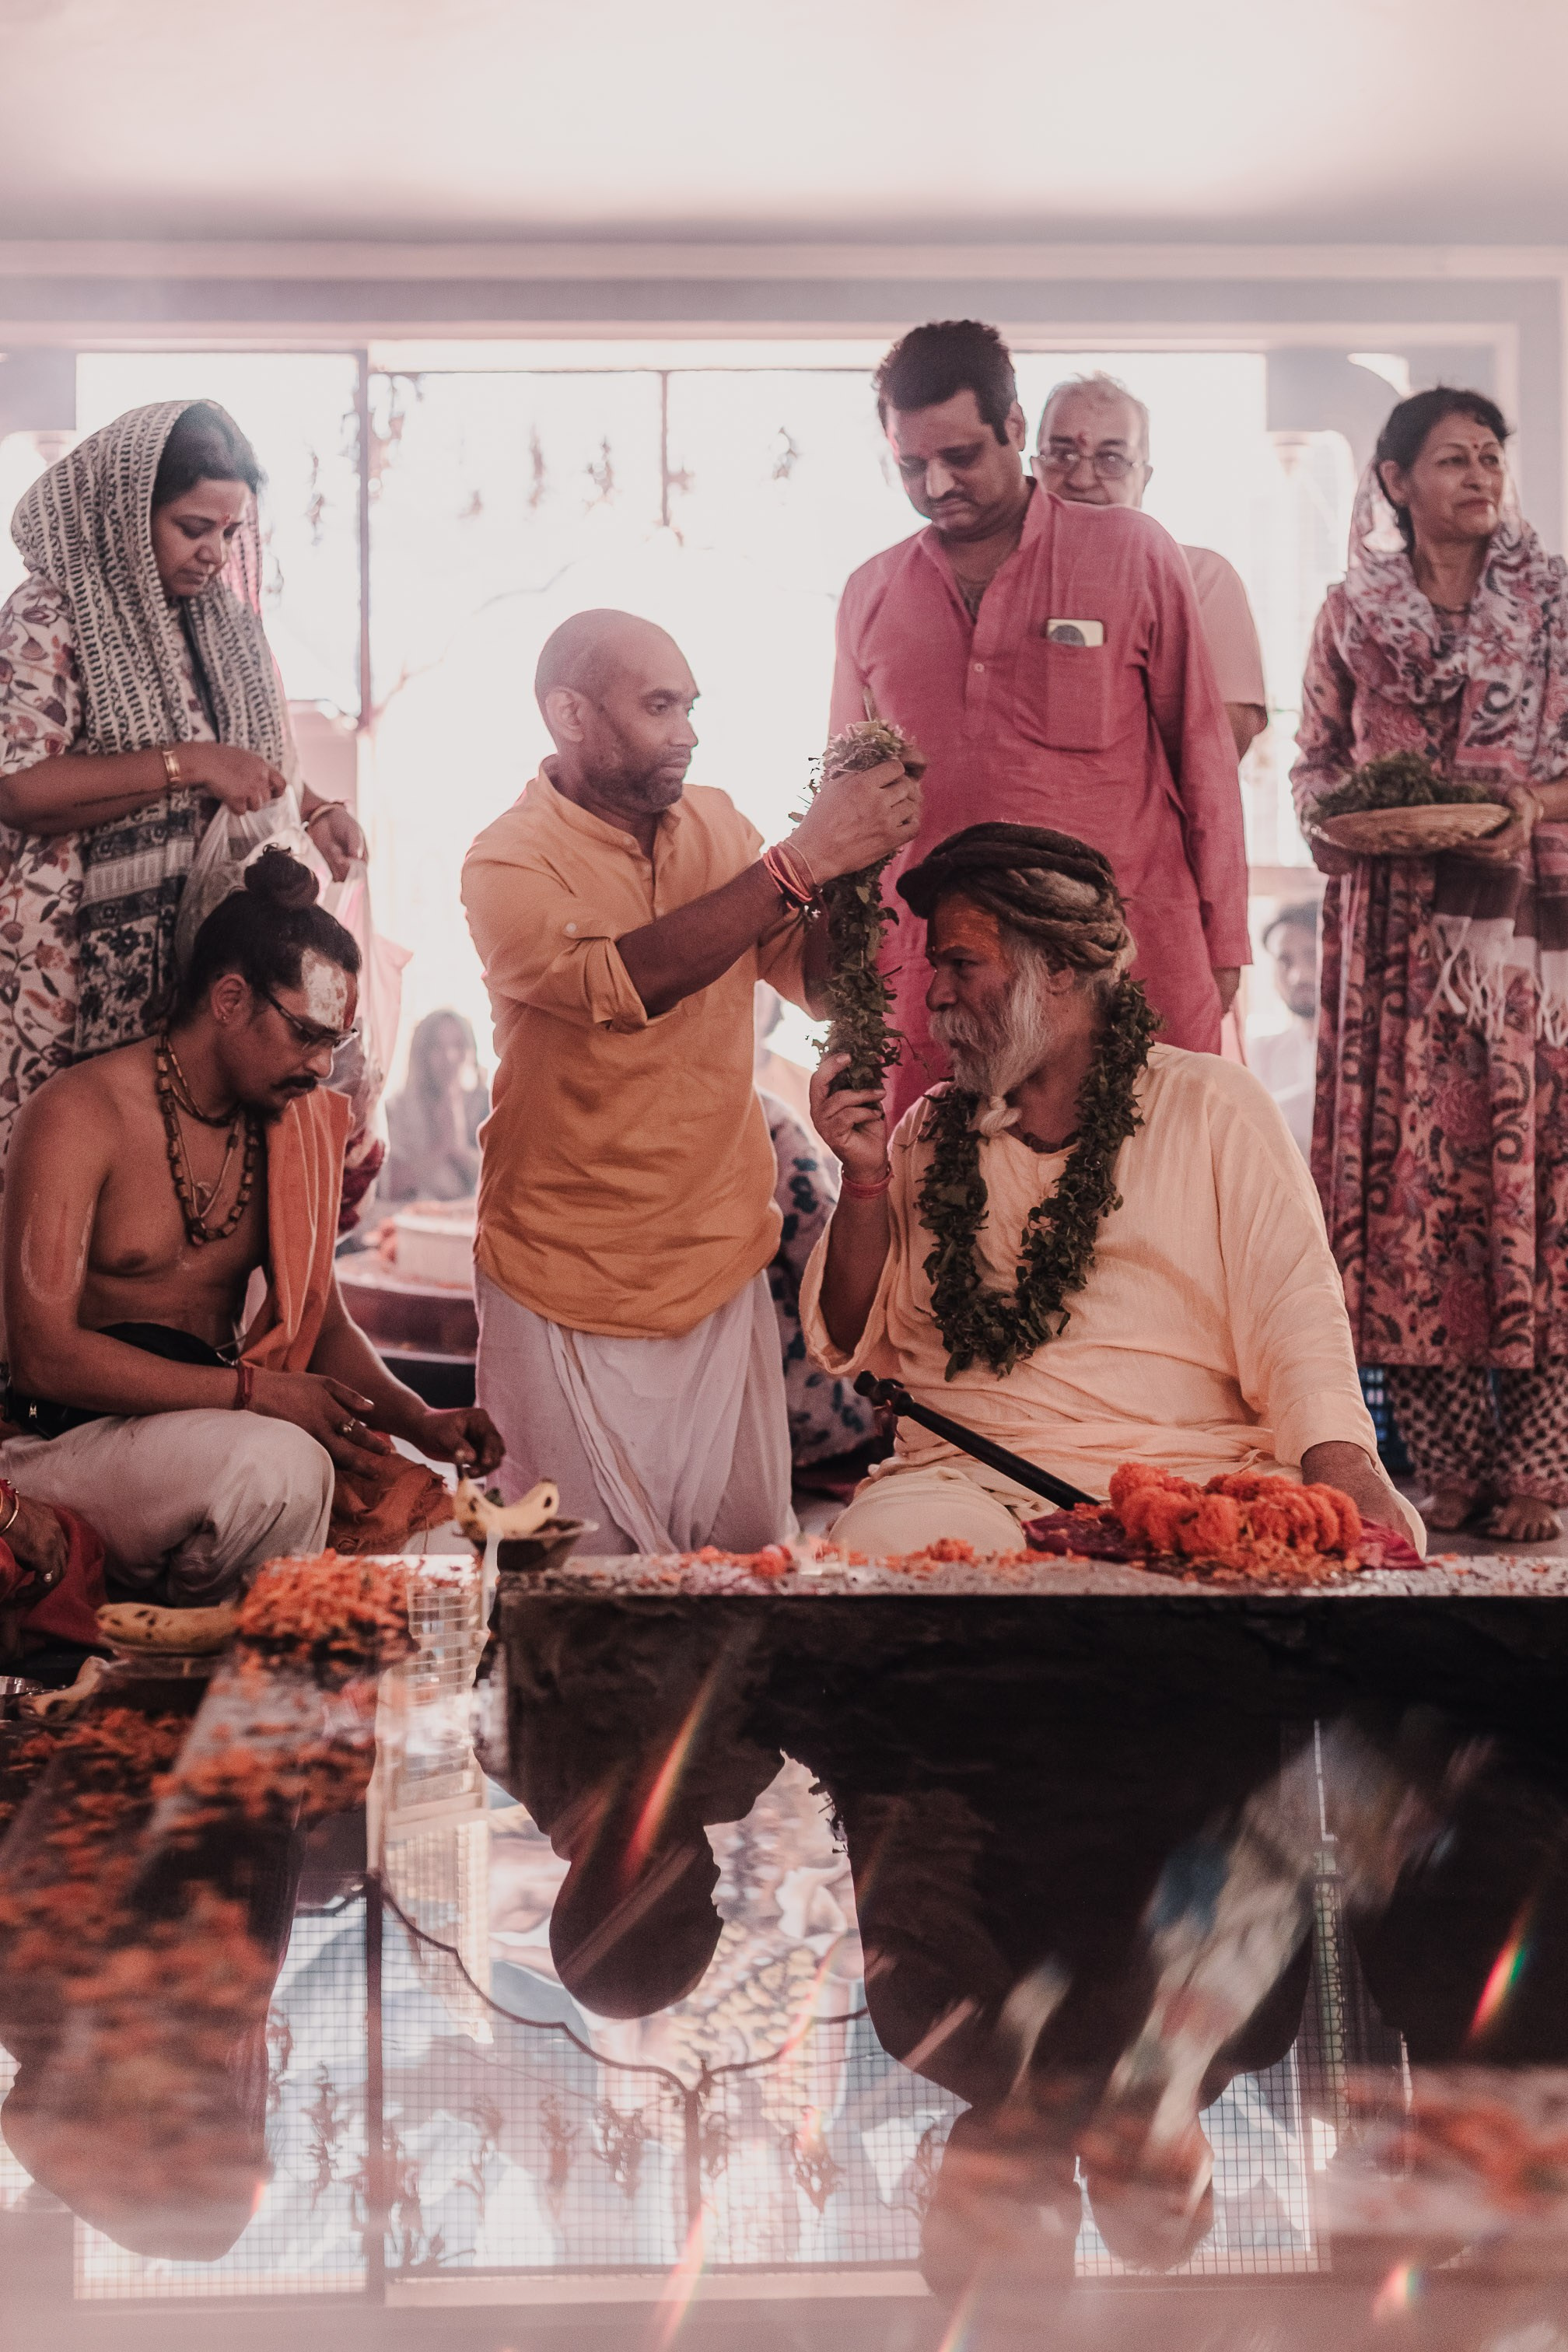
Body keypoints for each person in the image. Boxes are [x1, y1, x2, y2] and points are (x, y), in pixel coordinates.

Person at [801, 821, 1419, 1558]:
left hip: (1194, 1477)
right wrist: (865, 1178)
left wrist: (1348, 1478)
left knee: (1305, 1558)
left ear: (1058, 966)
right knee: (895, 1551)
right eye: (937, 966)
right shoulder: (928, 1129)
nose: (935, 994)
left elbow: (1301, 1324)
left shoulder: (1211, 1105)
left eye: (962, 964)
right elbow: (847, 1332)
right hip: (961, 1480)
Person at [461, 607, 920, 1555]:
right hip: (559, 1274)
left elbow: (820, 982)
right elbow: (628, 983)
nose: (689, 732)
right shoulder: (506, 859)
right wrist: (802, 860)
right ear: (570, 716)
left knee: (746, 1570)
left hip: (716, 1263)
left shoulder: (719, 823)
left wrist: (855, 872)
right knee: (574, 1590)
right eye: (660, 706)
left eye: (692, 706)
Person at [0, 849, 501, 1605]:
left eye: (336, 1042)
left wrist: (420, 1420)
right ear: (230, 999)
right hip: (66, 1443)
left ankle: (274, 1675)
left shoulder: (289, 1129)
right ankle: (226, 1685)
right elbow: (42, 1358)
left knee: (457, 1542)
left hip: (218, 1437)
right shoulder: (81, 1114)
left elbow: (320, 1326)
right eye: (307, 1034)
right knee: (281, 1469)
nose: (323, 1066)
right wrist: (253, 1393)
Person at [831, 319, 1248, 1121]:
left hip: (1127, 962)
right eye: (912, 466)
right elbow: (850, 808)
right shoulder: (871, 593)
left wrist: (1224, 943)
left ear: (1014, 429)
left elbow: (1202, 754)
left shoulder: (1133, 551)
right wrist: (851, 978)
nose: (938, 485)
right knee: (952, 1213)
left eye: (961, 457)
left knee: (1156, 1201)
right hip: (941, 977)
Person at [1293, 386, 1568, 1547]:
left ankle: (1543, 1470)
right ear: (1395, 480)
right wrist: (1347, 825)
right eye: (1453, 457)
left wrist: (1524, 804)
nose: (1480, 473)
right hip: (1393, 945)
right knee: (1410, 1200)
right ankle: (1447, 1471)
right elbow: (1311, 767)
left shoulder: (1556, 603)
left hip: (1528, 946)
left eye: (1492, 456)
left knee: (1542, 1190)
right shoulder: (1352, 611)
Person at [0, 400, 366, 1192]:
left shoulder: (222, 625)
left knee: (185, 1201)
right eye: (194, 526)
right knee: (70, 1188)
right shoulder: (50, 613)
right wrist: (188, 763)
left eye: (230, 533)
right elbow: (21, 791)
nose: (214, 552)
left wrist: (319, 809)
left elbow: (254, 762)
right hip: (66, 971)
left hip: (197, 970)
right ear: (128, 514)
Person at [1033, 370, 1269, 764]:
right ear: (1035, 467)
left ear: (1144, 477)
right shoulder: (1000, 582)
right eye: (1062, 455)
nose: (1081, 477)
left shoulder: (1201, 579)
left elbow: (1219, 750)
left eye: (1111, 458)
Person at [383, 1007, 488, 1202]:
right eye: (437, 1047)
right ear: (422, 1053)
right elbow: (392, 1186)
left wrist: (460, 1149)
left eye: (458, 1045)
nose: (449, 1057)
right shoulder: (398, 1109)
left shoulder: (484, 1104)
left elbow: (500, 1181)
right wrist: (442, 1147)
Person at [1247, 901, 1319, 1157]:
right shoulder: (1257, 1053)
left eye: (1312, 955)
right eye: (1285, 961)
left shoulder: (1373, 1054)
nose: (1298, 975)